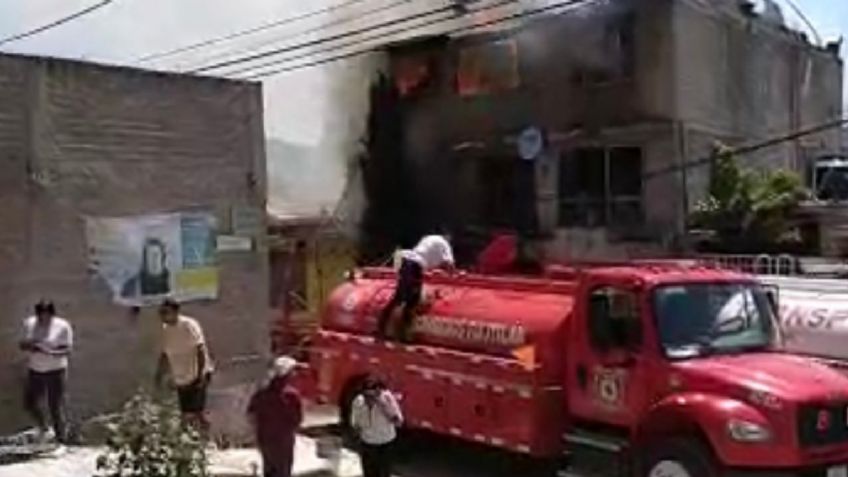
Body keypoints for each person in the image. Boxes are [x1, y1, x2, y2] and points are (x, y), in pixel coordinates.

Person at [377, 233, 455, 341]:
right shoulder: (445, 244)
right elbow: (449, 264)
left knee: (400, 296)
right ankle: (402, 333)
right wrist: (454, 275)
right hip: (414, 264)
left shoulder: (429, 238)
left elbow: (424, 253)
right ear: (448, 239)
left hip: (403, 258)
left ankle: (382, 328)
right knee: (412, 299)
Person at [155, 299, 214, 436]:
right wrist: (159, 374)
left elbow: (200, 349)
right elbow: (165, 354)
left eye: (166, 313)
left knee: (193, 413)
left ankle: (204, 439)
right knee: (188, 413)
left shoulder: (189, 325)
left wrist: (201, 375)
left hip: (197, 374)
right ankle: (195, 441)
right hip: (181, 377)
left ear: (175, 312)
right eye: (161, 313)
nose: (163, 316)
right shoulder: (166, 330)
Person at [19, 300, 73, 444]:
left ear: (51, 314)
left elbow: (67, 350)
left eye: (46, 316)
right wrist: (31, 346)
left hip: (56, 370)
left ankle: (61, 439)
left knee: (55, 405)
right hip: (35, 369)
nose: (43, 319)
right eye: (40, 316)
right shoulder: (30, 323)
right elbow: (22, 344)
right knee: (29, 402)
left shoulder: (62, 326)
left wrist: (49, 351)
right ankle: (44, 428)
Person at [247, 356, 303, 477]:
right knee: (283, 471)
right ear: (287, 375)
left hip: (265, 441)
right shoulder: (291, 396)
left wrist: (257, 432)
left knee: (269, 469)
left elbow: (251, 415)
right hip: (283, 443)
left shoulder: (262, 394)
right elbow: (297, 420)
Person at [350, 376, 403, 477]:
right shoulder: (358, 402)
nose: (369, 399)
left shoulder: (387, 399)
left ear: (378, 392)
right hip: (368, 444)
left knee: (383, 473)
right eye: (367, 396)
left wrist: (383, 405)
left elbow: (398, 422)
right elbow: (355, 423)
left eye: (372, 396)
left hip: (385, 444)